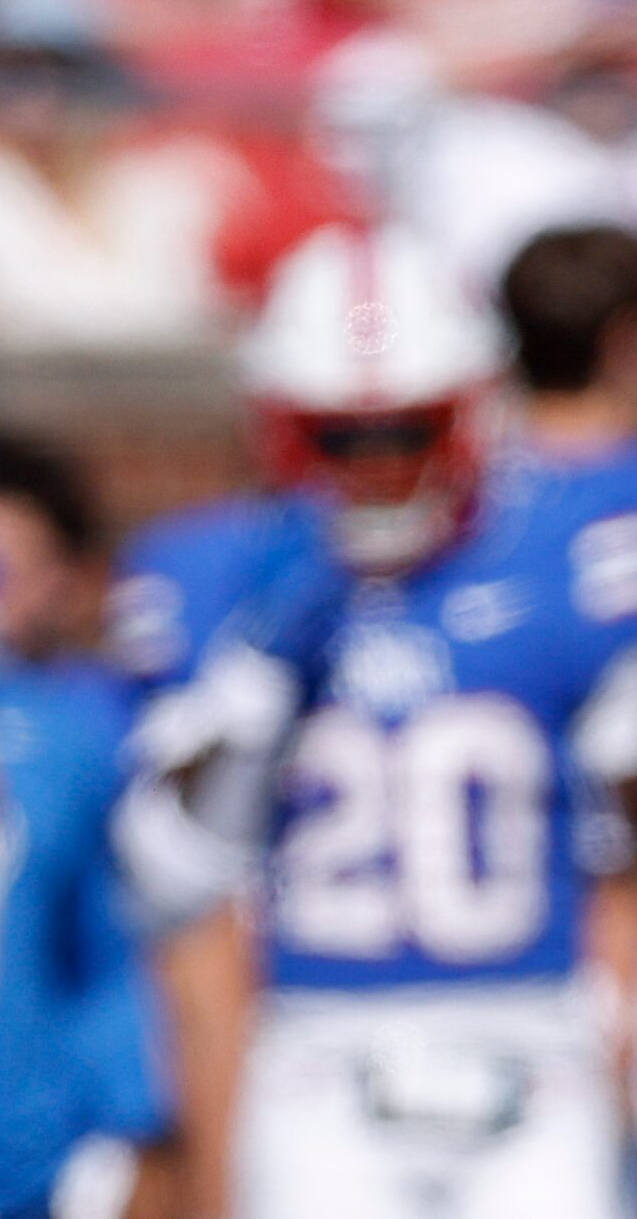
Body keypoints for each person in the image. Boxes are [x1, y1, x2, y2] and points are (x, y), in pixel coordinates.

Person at [122, 221, 637, 1219]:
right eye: (337, 434)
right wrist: (255, 679)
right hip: (315, 1053)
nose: (375, 462)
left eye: (410, 428)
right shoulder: (211, 573)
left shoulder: (575, 545)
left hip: (538, 1043)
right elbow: (173, 882)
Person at [0, 431, 179, 1219]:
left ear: (71, 580)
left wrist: (139, 1122)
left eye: (12, 567)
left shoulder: (87, 726)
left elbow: (120, 945)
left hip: (43, 1148)